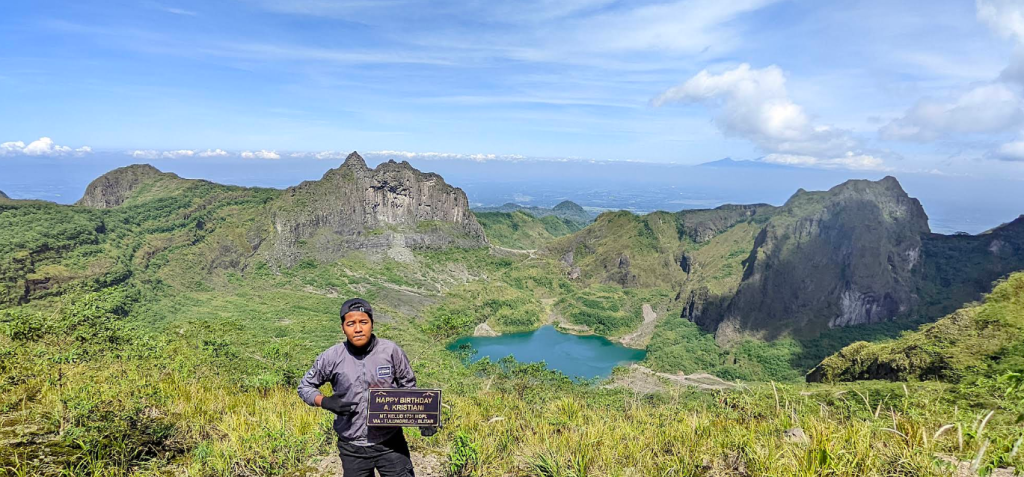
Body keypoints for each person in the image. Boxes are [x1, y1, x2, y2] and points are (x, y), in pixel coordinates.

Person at [298, 297, 436, 477]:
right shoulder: (331, 357)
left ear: (372, 323)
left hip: (390, 443)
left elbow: (409, 387)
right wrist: (324, 401)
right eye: (350, 324)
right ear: (342, 327)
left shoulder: (391, 351)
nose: (357, 329)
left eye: (363, 322)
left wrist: (424, 419)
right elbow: (304, 387)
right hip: (351, 446)